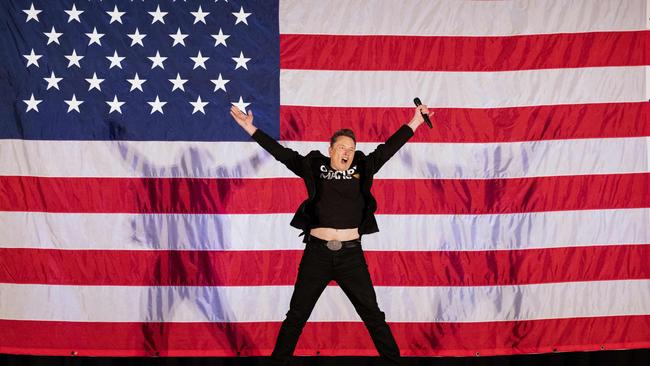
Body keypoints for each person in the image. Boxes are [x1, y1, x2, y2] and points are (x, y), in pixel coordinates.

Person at [229, 104, 431, 365]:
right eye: (342, 147)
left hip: (351, 256)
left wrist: (414, 122)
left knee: (373, 315)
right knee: (296, 316)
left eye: (351, 148)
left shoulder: (362, 167)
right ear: (331, 149)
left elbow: (388, 149)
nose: (347, 152)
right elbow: (281, 154)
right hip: (318, 254)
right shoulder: (314, 167)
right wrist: (250, 128)